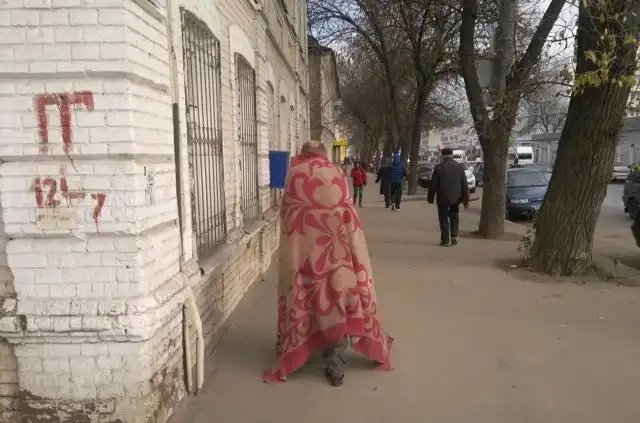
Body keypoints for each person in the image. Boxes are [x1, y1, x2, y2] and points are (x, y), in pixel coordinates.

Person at [263, 141, 393, 386]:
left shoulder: (294, 174)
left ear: (304, 154)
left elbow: (288, 215)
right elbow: (347, 212)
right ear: (324, 154)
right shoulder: (337, 172)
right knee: (338, 300)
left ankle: (303, 348)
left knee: (306, 298)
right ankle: (335, 365)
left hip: (304, 254)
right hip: (338, 251)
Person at [427, 148, 469, 246]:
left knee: (443, 218)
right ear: (452, 154)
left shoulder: (438, 167)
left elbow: (433, 184)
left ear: (442, 155)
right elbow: (464, 183)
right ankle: (454, 236)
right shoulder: (460, 166)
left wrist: (430, 198)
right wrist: (465, 197)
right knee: (454, 216)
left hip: (443, 197)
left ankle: (445, 240)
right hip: (456, 197)